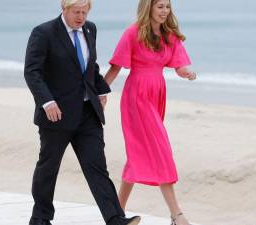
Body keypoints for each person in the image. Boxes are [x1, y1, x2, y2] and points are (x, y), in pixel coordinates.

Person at [24, 0, 141, 225]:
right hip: (56, 114)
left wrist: (100, 90)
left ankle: (115, 219)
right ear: (64, 9)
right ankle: (40, 219)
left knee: (97, 166)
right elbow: (32, 72)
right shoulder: (44, 32)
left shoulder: (90, 29)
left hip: (88, 113)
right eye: (76, 12)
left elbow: (89, 67)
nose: (80, 17)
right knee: (48, 168)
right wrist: (47, 102)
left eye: (84, 13)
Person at [104, 0, 196, 225]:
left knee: (137, 154)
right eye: (160, 6)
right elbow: (116, 66)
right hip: (137, 96)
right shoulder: (132, 33)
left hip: (156, 95)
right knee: (160, 149)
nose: (165, 11)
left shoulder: (169, 35)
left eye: (167, 7)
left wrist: (186, 73)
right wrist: (100, 93)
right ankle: (177, 215)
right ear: (149, 8)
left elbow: (179, 64)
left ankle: (116, 214)